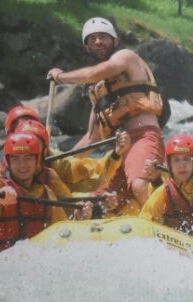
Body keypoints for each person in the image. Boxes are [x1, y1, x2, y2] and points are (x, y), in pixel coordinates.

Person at [46, 16, 165, 207]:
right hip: (120, 150)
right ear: (87, 46)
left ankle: (171, 225)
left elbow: (91, 73)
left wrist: (61, 76)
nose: (98, 42)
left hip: (144, 137)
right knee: (99, 201)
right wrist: (59, 162)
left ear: (115, 41)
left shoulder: (126, 57)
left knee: (139, 184)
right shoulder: (98, 91)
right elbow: (91, 139)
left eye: (103, 36)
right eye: (92, 39)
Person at [0, 132, 93, 259]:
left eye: (28, 158)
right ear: (8, 162)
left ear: (37, 161)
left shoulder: (46, 194)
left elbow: (61, 233)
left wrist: (79, 218)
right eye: (15, 159)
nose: (22, 165)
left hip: (28, 268)